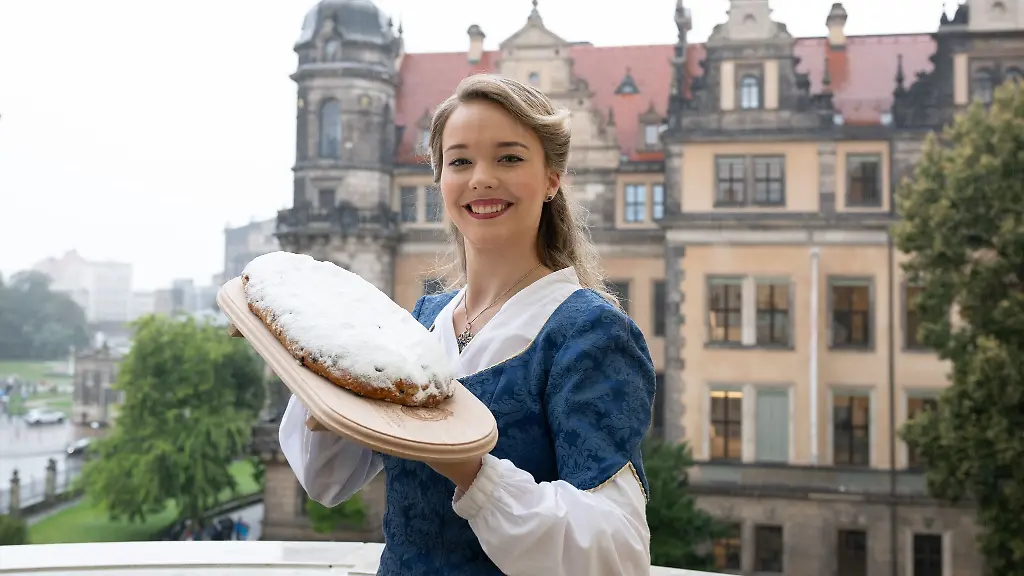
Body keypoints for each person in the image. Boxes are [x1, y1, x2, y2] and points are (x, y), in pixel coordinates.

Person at [280, 73, 656, 575]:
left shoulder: (590, 333)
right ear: (441, 180)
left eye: (509, 157)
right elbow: (327, 482)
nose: (481, 177)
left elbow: (619, 554)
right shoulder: (422, 324)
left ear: (551, 179)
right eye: (460, 161)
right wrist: (314, 376)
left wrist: (471, 469)